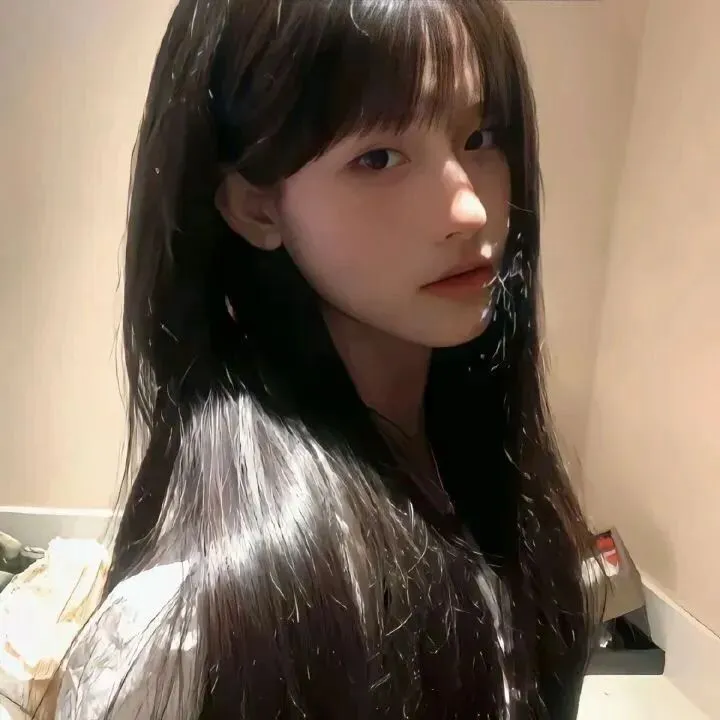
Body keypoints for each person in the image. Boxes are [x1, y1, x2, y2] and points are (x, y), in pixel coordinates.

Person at [54, 0, 601, 718]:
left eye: (480, 137)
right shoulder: (204, 627)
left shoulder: (490, 485)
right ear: (256, 206)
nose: (469, 209)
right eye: (378, 158)